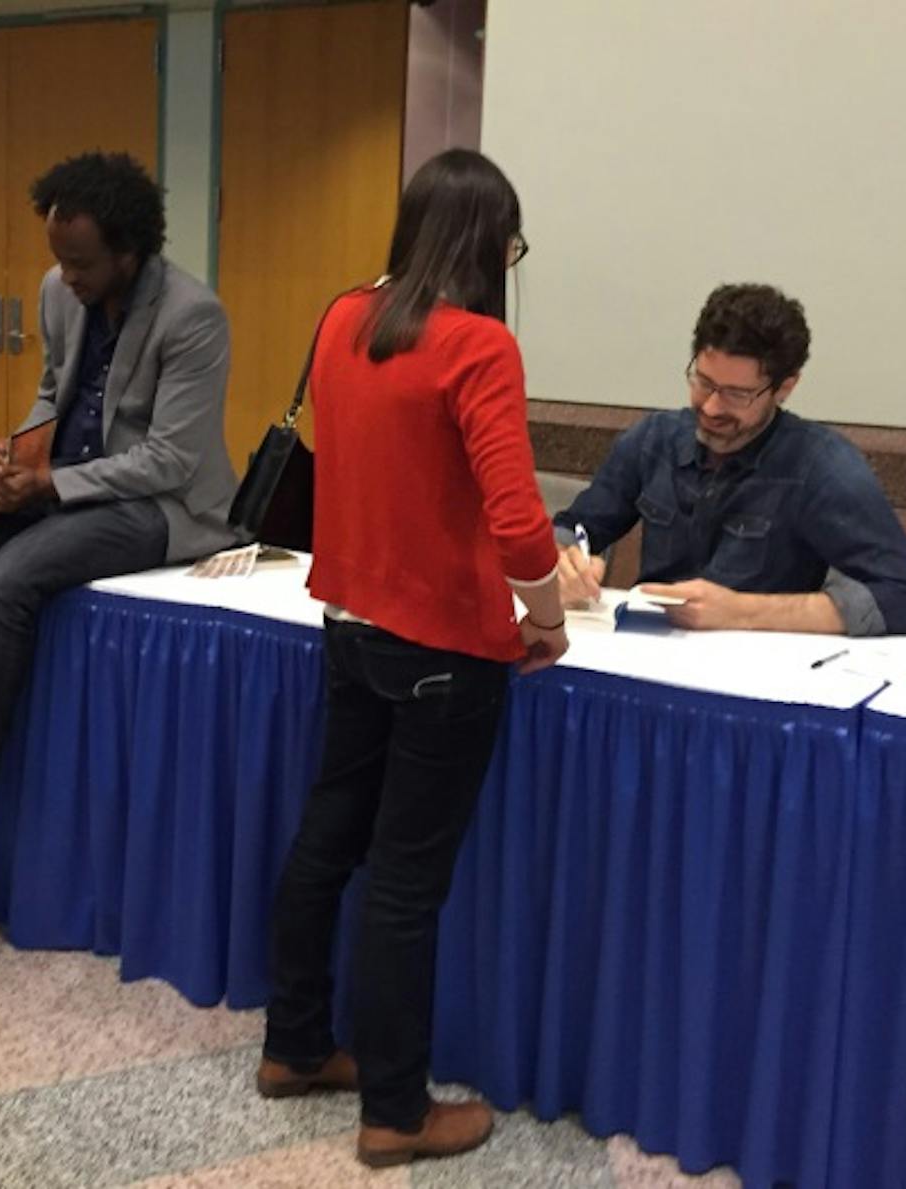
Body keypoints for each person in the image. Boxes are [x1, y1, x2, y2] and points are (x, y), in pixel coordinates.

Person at [258, 149, 568, 1168]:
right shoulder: (477, 345)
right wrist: (544, 619)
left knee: (325, 837)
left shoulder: (342, 317)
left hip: (347, 624)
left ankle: (294, 1047)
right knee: (403, 882)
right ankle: (395, 1110)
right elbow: (519, 524)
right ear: (487, 244)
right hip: (442, 646)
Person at [0, 152, 239, 898]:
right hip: (66, 482)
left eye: (83, 264)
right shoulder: (55, 289)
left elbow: (168, 459)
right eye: (58, 260)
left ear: (131, 250)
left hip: (161, 508)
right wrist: (21, 453)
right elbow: (51, 390)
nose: (66, 277)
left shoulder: (195, 316)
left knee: (6, 580)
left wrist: (51, 482)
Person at [553, 283, 906, 635]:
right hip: (645, 654)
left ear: (785, 387)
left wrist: (741, 611)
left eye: (737, 394)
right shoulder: (654, 440)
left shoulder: (822, 468)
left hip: (760, 679)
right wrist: (562, 564)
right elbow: (574, 529)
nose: (712, 406)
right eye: (703, 382)